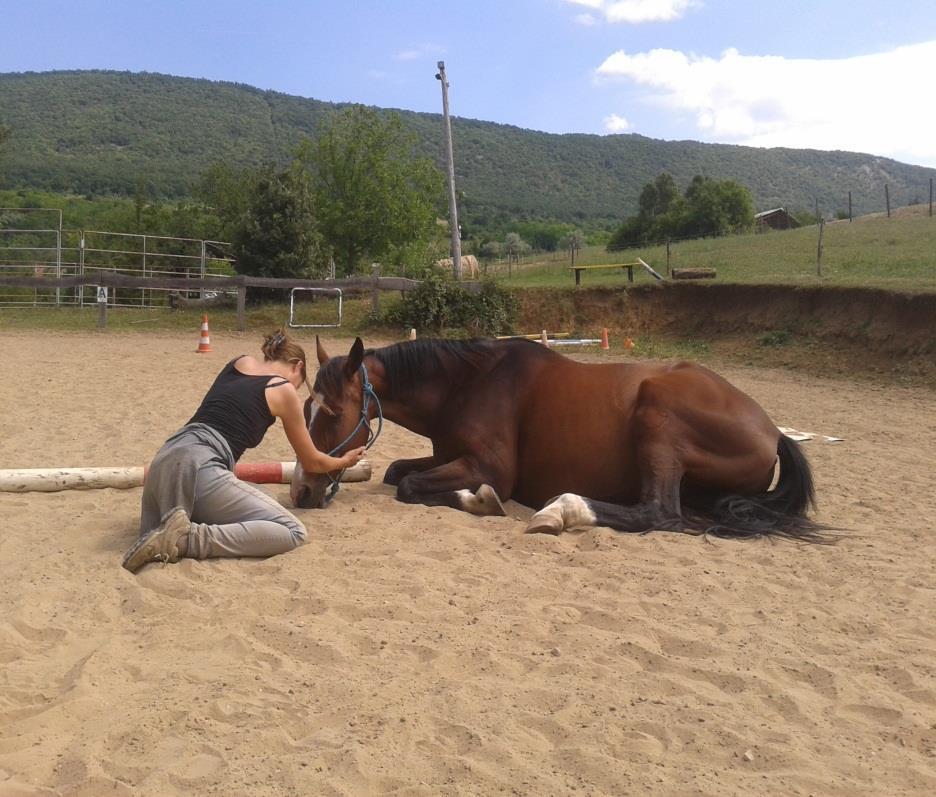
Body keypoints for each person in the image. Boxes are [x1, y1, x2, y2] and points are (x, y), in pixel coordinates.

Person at [122, 328, 365, 573]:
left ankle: (178, 529)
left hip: (163, 462)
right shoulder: (283, 389)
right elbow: (312, 462)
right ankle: (188, 540)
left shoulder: (239, 362)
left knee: (265, 500)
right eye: (300, 383)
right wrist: (343, 461)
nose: (296, 387)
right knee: (294, 531)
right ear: (297, 366)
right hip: (200, 467)